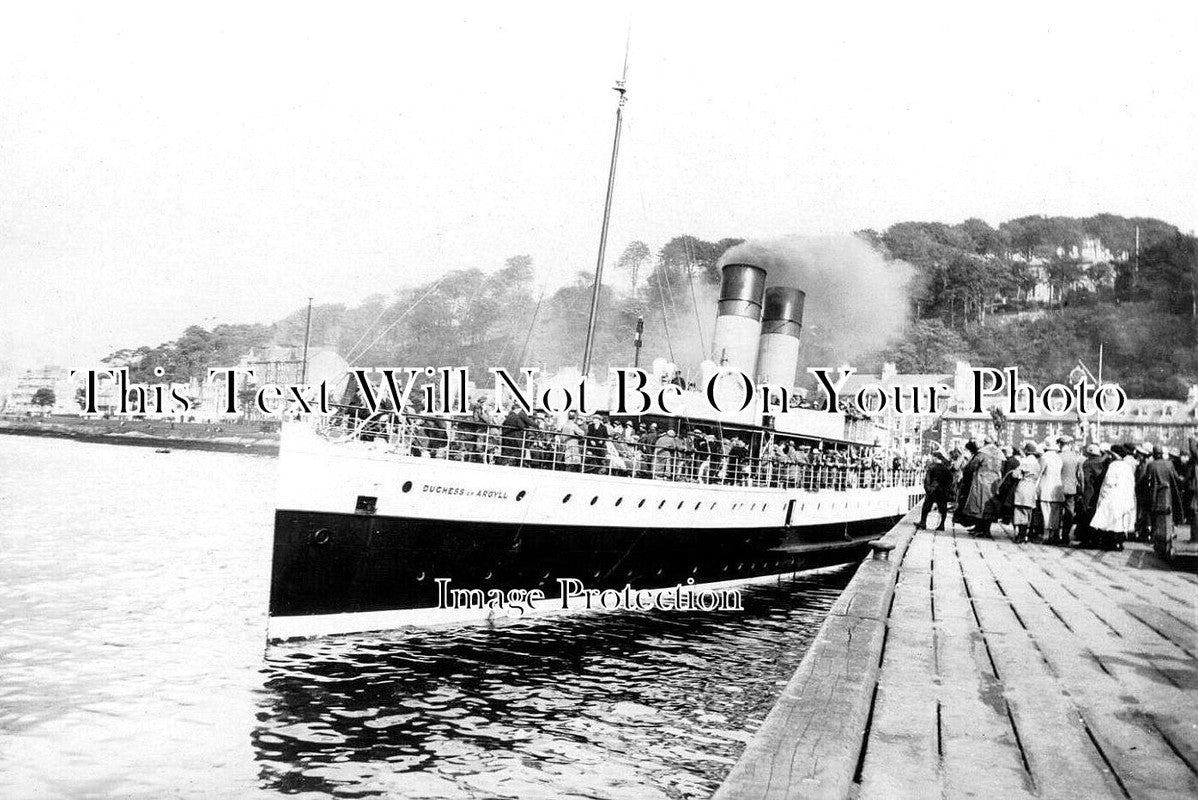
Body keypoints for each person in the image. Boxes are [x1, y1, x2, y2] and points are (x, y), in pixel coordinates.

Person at [1138, 444, 1185, 554]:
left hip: (1156, 495)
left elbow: (1146, 479)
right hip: (1168, 495)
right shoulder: (1169, 464)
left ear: (1154, 454)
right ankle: (1169, 537)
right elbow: (1176, 478)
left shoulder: (1151, 465)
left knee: (1156, 518)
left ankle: (1157, 539)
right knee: (1169, 516)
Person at [1090, 444, 1138, 550]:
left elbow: (1109, 482)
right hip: (1126, 496)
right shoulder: (1126, 466)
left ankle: (1111, 542)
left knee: (1111, 520)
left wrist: (1104, 496)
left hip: (1114, 496)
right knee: (1121, 520)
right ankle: (1119, 542)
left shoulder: (1113, 466)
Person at [962, 436, 1003, 536]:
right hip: (994, 482)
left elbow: (972, 466)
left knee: (979, 505)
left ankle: (981, 529)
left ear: (985, 443)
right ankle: (984, 529)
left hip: (981, 481)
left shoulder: (982, 452)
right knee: (989, 506)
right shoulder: (998, 453)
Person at [1077, 443, 1108, 547]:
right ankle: (1097, 538)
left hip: (1089, 492)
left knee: (1086, 515)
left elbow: (1084, 479)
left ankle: (1086, 540)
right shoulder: (1103, 462)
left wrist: (1081, 492)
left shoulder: (1087, 463)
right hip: (1099, 492)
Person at [916, 447, 953, 531]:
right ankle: (942, 524)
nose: (932, 458)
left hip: (932, 491)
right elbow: (950, 480)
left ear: (936, 458)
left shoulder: (931, 467)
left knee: (926, 507)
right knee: (943, 508)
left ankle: (923, 522)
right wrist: (947, 489)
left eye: (933, 457)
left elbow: (927, 480)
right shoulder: (946, 469)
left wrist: (928, 490)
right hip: (942, 491)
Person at [1012, 441, 1042, 543]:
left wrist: (1016, 472)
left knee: (1019, 511)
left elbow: (1015, 475)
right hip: (1032, 487)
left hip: (1023, 486)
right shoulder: (1037, 463)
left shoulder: (1025, 462)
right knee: (1028, 512)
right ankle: (1025, 535)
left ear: (1026, 451)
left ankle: (1020, 535)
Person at [1057, 435, 1083, 544]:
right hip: (1072, 488)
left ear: (1060, 444)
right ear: (1069, 445)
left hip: (1058, 488)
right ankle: (1066, 535)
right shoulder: (1075, 457)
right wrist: (1081, 487)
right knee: (1069, 513)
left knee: (1057, 513)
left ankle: (1056, 535)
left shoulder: (1058, 456)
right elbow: (1080, 474)